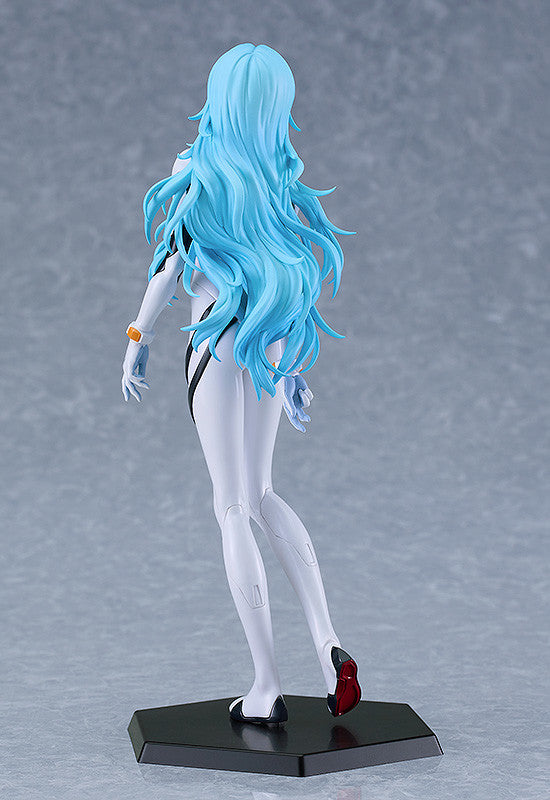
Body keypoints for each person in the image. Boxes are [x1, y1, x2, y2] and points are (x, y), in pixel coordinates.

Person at [122, 43, 360, 724]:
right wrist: (292, 371)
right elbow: (291, 271)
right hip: (271, 340)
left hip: (216, 342)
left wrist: (137, 338)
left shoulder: (195, 168)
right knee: (264, 493)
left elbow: (169, 266)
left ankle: (266, 685)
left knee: (231, 507)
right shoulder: (280, 173)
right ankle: (329, 646)